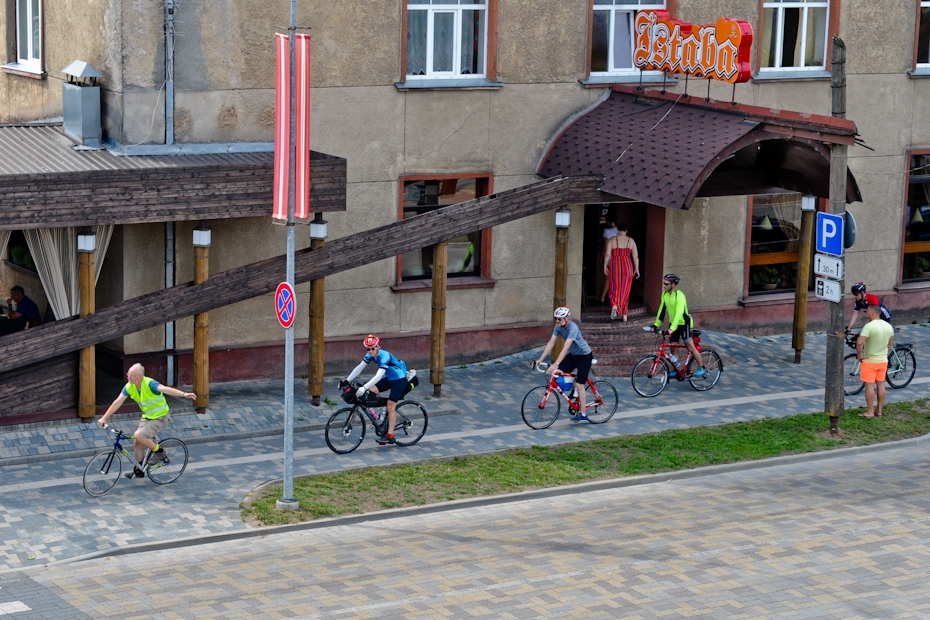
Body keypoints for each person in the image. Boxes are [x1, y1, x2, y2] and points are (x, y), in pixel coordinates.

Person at [97, 363, 196, 479]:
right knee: (137, 441)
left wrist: (184, 394)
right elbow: (117, 402)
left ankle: (159, 453)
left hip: (161, 417)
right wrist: (104, 418)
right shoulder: (129, 386)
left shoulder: (150, 384)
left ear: (140, 376)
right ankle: (139, 470)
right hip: (148, 416)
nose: (128, 377)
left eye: (131, 375)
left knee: (138, 435)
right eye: (128, 374)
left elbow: (166, 389)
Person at [345, 335, 414, 445]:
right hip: (390, 378)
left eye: (373, 348)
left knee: (391, 406)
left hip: (399, 379)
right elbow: (360, 367)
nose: (370, 351)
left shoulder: (384, 356)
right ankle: (381, 416)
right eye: (368, 349)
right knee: (370, 392)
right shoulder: (369, 355)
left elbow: (378, 376)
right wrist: (346, 380)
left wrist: (364, 387)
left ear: (378, 347)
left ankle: (390, 435)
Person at [533, 307, 593, 422]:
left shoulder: (573, 328)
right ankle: (574, 393)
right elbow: (551, 343)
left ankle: (583, 414)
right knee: (558, 374)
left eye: (559, 319)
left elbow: (565, 348)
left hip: (584, 356)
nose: (557, 321)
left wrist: (555, 364)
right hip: (573, 355)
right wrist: (540, 359)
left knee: (580, 385)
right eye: (556, 318)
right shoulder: (558, 326)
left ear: (566, 318)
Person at [652, 274, 706, 378]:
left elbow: (679, 313)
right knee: (673, 349)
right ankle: (677, 370)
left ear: (673, 284)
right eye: (663, 283)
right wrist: (655, 325)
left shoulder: (680, 296)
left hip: (683, 324)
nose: (664, 286)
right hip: (674, 324)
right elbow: (661, 310)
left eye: (666, 284)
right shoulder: (665, 295)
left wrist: (671, 329)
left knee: (690, 347)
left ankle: (701, 367)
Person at [857, 303, 894, 418]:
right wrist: (884, 355)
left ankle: (869, 411)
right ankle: (879, 410)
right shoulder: (888, 326)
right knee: (881, 385)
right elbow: (889, 344)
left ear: (872, 313)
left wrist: (860, 355)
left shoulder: (869, 326)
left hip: (869, 361)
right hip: (883, 360)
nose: (866, 313)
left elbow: (859, 342)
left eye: (867, 311)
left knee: (869, 386)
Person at [603, 223, 640, 321]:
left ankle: (615, 305)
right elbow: (635, 257)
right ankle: (624, 314)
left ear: (618, 230)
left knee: (615, 286)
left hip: (615, 265)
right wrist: (637, 269)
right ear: (626, 231)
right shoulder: (631, 241)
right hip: (627, 265)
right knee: (625, 289)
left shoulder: (612, 240)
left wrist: (605, 265)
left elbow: (607, 254)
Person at [598, 221, 619, 304]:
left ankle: (602, 297)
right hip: (619, 257)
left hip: (610, 257)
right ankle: (615, 298)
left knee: (607, 278)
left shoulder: (608, 231)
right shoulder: (620, 232)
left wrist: (602, 257)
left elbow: (605, 246)